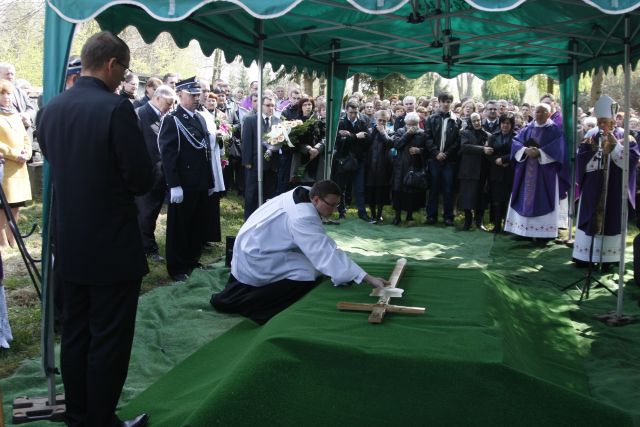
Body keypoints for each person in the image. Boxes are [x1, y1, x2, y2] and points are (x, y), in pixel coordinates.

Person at [38, 31, 152, 427]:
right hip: (111, 244)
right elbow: (139, 179)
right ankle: (101, 420)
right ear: (111, 65)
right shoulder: (116, 109)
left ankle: (78, 413)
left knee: (75, 331)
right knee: (109, 337)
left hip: (69, 239)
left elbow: (54, 160)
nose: (124, 78)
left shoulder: (50, 108)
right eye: (124, 70)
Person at [210, 180, 389, 324]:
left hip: (257, 244)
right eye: (331, 206)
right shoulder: (303, 217)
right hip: (257, 255)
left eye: (336, 206)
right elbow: (325, 252)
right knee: (308, 272)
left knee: (315, 265)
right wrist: (367, 278)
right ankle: (259, 306)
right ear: (316, 199)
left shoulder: (305, 191)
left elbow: (319, 246)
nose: (334, 211)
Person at [158, 77, 215, 281]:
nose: (196, 97)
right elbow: (168, 154)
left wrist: (210, 180)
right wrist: (174, 185)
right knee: (179, 226)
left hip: (199, 180)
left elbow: (205, 152)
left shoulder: (199, 118)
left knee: (196, 223)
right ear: (180, 95)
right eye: (191, 94)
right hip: (183, 181)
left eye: (196, 94)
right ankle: (177, 266)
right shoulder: (173, 119)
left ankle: (192, 259)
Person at [572, 95, 640, 265]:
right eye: (600, 121)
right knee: (590, 216)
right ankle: (584, 256)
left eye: (607, 122)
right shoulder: (590, 135)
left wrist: (616, 146)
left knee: (612, 219)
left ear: (614, 121)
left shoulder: (626, 137)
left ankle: (609, 258)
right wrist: (597, 154)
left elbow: (631, 161)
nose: (603, 125)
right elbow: (581, 159)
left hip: (614, 188)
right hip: (593, 188)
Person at [504, 103, 568, 240]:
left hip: (546, 173)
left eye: (542, 112)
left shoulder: (555, 130)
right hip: (526, 170)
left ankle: (543, 234)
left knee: (543, 198)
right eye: (537, 112)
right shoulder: (528, 127)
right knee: (523, 198)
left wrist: (540, 152)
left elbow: (559, 149)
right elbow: (516, 142)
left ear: (549, 114)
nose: (538, 115)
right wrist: (525, 150)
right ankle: (522, 232)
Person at [135, 85, 176, 262]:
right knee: (145, 211)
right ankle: (147, 248)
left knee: (152, 212)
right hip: (146, 172)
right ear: (158, 98)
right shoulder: (140, 114)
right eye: (168, 103)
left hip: (160, 173)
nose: (170, 108)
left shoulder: (164, 116)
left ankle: (146, 243)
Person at [0, 79, 32, 248]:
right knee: (2, 207)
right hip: (5, 166)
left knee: (16, 205)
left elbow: (26, 136)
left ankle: (14, 238)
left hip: (20, 168)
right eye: (2, 93)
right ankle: (2, 242)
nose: (6, 97)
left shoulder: (14, 114)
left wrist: (27, 152)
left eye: (8, 93)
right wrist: (14, 154)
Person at [424, 92, 461, 226]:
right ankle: (431, 216)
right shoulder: (431, 119)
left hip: (449, 161)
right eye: (444, 101)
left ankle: (448, 216)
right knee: (433, 188)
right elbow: (427, 138)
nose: (446, 104)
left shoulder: (457, 120)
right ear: (439, 102)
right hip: (434, 160)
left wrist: (446, 154)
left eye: (449, 101)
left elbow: (457, 141)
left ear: (451, 103)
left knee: (448, 189)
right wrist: (436, 153)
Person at [458, 112, 492, 231]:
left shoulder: (488, 135)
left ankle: (479, 222)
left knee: (481, 197)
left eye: (478, 120)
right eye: (474, 121)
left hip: (483, 170)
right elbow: (464, 147)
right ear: (470, 122)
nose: (477, 123)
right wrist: (483, 149)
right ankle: (467, 222)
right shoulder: (465, 133)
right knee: (467, 196)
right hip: (468, 170)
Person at [391, 112, 426, 225]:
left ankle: (409, 216)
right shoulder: (400, 131)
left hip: (415, 166)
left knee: (411, 191)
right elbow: (396, 144)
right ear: (405, 123)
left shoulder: (422, 133)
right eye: (409, 124)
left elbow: (428, 149)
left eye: (414, 124)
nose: (411, 127)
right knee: (398, 191)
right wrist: (408, 134)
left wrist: (419, 150)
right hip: (400, 166)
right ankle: (397, 216)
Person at [486, 114, 516, 234]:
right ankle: (496, 225)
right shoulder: (493, 136)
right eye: (503, 123)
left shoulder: (516, 137)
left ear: (511, 125)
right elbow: (488, 153)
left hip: (510, 172)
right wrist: (496, 160)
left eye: (508, 123)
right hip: (495, 172)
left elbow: (518, 152)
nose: (505, 125)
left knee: (507, 199)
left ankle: (507, 226)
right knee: (496, 199)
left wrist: (504, 160)